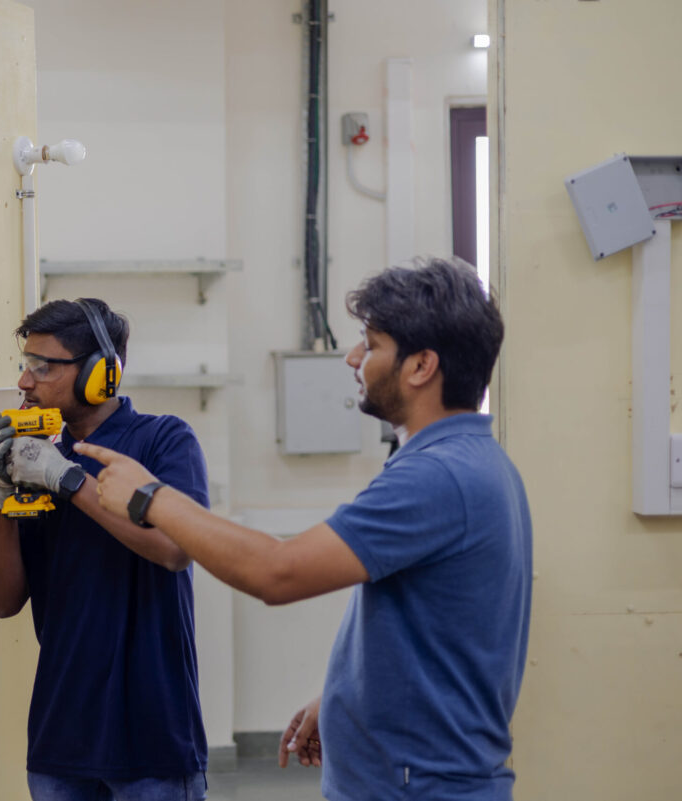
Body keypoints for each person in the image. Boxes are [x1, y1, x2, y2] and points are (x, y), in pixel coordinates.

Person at [73, 258, 533, 801]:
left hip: (420, 787)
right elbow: (434, 628)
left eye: (371, 344)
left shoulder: (439, 476)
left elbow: (277, 572)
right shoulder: (466, 460)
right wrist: (343, 701)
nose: (353, 358)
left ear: (421, 365)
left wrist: (149, 497)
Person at [0, 298, 210, 801]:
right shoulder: (40, 461)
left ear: (101, 373)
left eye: (43, 367)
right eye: (25, 365)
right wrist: (1, 493)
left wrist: (69, 480)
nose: (25, 382)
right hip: (61, 739)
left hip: (153, 739)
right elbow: (2, 600)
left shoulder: (164, 440)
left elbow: (174, 549)